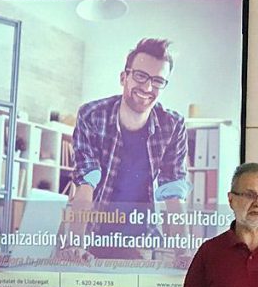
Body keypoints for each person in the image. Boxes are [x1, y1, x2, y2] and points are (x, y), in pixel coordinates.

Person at [64, 37, 189, 260]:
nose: (148, 87)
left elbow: (173, 192)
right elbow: (85, 184)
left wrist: (184, 253)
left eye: (158, 81)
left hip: (136, 239)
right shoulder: (92, 115)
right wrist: (75, 246)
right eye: (140, 76)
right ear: (124, 77)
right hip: (91, 233)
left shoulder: (173, 125)